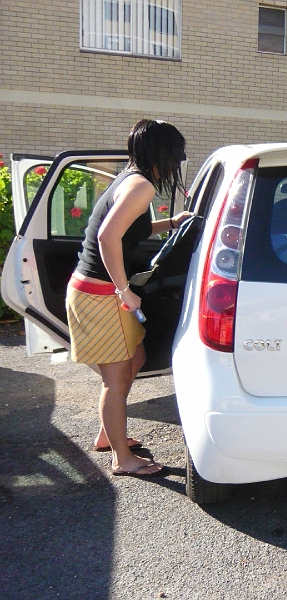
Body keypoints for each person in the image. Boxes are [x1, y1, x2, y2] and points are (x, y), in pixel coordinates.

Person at [66, 119, 192, 476]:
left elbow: (126, 230)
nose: (178, 162)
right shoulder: (140, 187)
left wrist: (169, 224)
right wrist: (124, 292)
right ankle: (122, 458)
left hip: (96, 290)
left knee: (134, 359)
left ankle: (110, 435)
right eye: (178, 155)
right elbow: (108, 238)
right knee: (117, 378)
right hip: (101, 294)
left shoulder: (129, 180)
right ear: (163, 154)